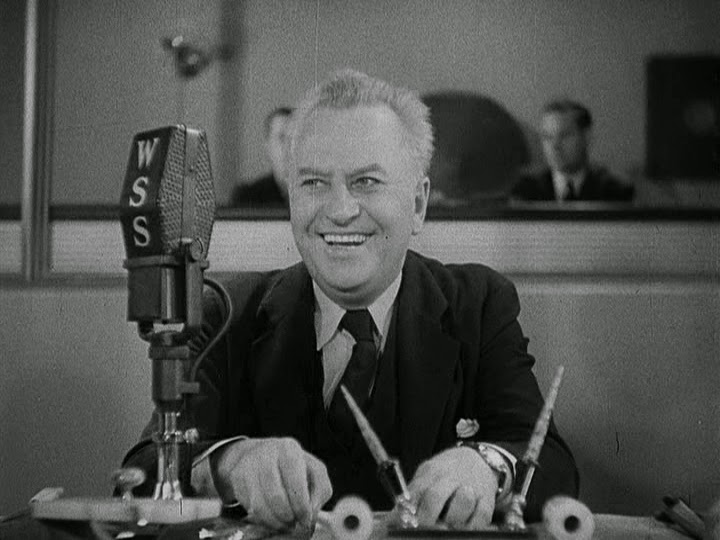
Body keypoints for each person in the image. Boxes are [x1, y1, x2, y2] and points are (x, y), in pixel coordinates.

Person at [123, 70, 579, 531]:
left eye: (366, 182)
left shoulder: (478, 306)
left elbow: (554, 466)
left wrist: (487, 466)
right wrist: (226, 464)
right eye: (314, 183)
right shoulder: (225, 313)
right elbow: (143, 471)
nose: (340, 210)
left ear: (418, 204)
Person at [511, 99, 634, 202]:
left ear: (586, 138)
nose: (555, 146)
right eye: (547, 137)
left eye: (564, 136)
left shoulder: (614, 191)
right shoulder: (523, 191)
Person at [231, 107, 293, 208]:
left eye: (293, 138)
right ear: (268, 146)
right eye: (281, 137)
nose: (288, 145)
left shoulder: (314, 193)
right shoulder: (248, 197)